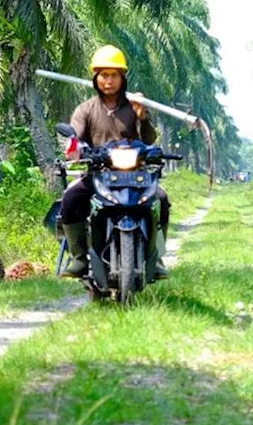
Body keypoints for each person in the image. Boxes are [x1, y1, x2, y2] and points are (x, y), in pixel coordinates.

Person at [59, 45, 171, 279]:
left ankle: (157, 257)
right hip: (98, 173)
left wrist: (142, 116)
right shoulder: (86, 109)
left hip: (135, 173)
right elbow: (74, 139)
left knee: (161, 199)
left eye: (114, 75)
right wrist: (76, 149)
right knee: (70, 199)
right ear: (96, 78)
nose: (109, 81)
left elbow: (149, 139)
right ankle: (79, 257)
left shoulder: (134, 106)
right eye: (104, 75)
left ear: (122, 78)